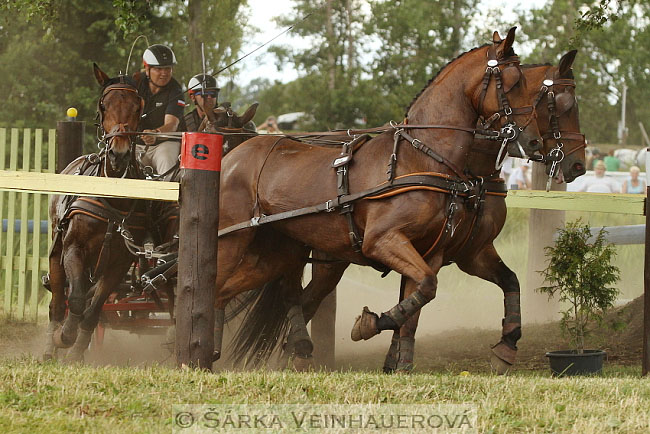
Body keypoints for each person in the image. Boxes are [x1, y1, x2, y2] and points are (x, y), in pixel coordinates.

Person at [133, 44, 185, 180]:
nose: (164, 73)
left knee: (167, 162)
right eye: (158, 69)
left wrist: (156, 134)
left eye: (168, 68)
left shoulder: (176, 90)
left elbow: (172, 124)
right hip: (136, 144)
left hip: (165, 143)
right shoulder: (135, 83)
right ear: (147, 68)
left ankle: (169, 201)